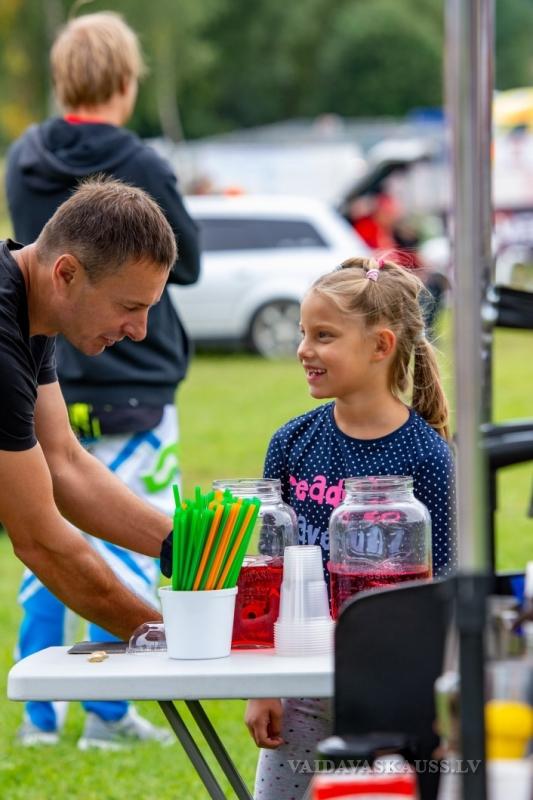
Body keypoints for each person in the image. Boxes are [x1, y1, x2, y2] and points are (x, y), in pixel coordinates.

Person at [5, 11, 199, 748]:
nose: (140, 331)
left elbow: (68, 466)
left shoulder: (33, 309)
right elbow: (43, 541)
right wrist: (173, 641)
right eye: (129, 308)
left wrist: (194, 553)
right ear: (66, 273)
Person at [245, 257, 457, 800]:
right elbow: (269, 577)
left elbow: (441, 590)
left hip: (391, 688)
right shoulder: (291, 443)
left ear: (381, 345)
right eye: (303, 333)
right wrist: (263, 686)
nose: (303, 349)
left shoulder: (427, 457)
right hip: (300, 686)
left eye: (324, 335)